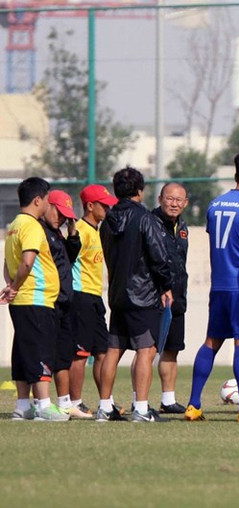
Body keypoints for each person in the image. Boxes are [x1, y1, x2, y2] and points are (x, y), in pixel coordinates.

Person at [184, 150, 239, 423]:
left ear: (235, 175)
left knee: (211, 341)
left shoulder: (214, 205)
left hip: (218, 285)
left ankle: (193, 404)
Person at [97, 167, 174, 423]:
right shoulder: (145, 218)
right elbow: (158, 256)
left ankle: (104, 407)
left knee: (113, 349)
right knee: (146, 349)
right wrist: (166, 285)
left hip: (118, 294)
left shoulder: (106, 221)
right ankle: (141, 408)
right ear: (140, 191)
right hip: (142, 295)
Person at [2, 177, 70, 421]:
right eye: (48, 200)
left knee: (23, 351)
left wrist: (10, 286)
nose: (49, 205)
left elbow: (6, 263)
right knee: (41, 350)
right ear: (38, 200)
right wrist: (17, 286)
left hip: (22, 301)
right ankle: (43, 405)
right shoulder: (32, 225)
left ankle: (22, 406)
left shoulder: (14, 224)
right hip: (36, 299)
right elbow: (27, 261)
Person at [68, 184, 118, 417]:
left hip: (95, 296)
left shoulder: (98, 230)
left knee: (103, 352)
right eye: (104, 205)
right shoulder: (79, 230)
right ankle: (75, 402)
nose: (108, 208)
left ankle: (106, 402)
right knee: (80, 353)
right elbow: (67, 263)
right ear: (90, 206)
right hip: (80, 297)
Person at [42, 190, 83, 418]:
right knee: (49, 354)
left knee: (64, 355)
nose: (61, 218)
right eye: (59, 212)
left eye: (66, 215)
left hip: (67, 301)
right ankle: (41, 403)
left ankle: (65, 402)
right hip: (50, 301)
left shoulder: (57, 233)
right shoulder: (40, 231)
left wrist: (72, 232)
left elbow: (69, 257)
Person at [152, 182, 190, 414]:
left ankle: (168, 399)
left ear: (185, 203)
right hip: (154, 298)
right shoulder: (150, 223)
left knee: (171, 349)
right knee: (146, 351)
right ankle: (140, 399)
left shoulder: (182, 227)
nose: (174, 204)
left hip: (177, 297)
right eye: (170, 198)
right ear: (160, 199)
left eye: (179, 200)